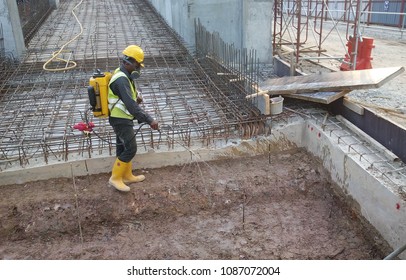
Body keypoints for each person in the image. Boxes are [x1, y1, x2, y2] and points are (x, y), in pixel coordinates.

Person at [107, 45, 159, 192]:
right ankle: (115, 178)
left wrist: (136, 99)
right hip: (120, 119)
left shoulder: (124, 75)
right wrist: (150, 120)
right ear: (128, 62)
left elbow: (128, 100)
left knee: (122, 147)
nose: (138, 69)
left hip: (121, 117)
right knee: (131, 148)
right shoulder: (121, 80)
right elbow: (131, 106)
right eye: (137, 65)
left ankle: (127, 175)